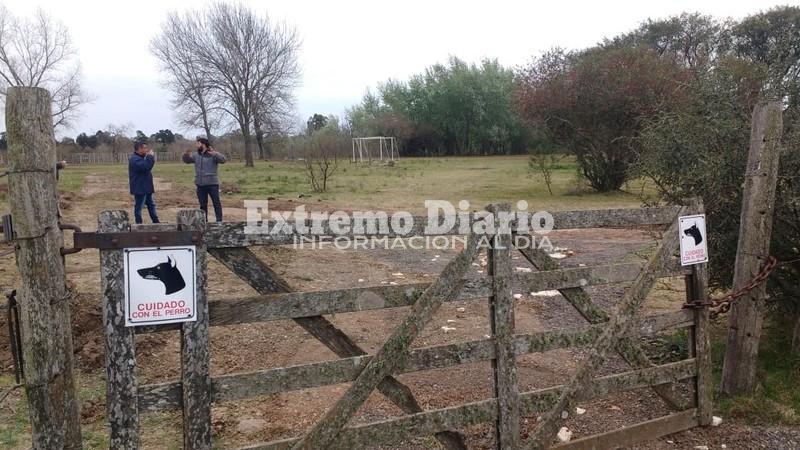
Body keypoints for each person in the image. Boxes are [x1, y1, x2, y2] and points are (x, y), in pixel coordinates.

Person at [183, 138, 227, 222]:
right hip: (200, 185)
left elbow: (223, 160)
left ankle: (219, 221)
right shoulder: (196, 155)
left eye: (198, 143)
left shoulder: (213, 155)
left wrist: (215, 154)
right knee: (202, 205)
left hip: (212, 184)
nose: (196, 145)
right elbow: (187, 161)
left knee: (216, 203)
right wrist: (186, 155)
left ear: (203, 144)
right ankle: (204, 221)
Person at [128, 141, 160, 224]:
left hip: (146, 187)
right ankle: (138, 224)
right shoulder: (134, 159)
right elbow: (146, 167)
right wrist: (150, 157)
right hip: (140, 187)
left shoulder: (142, 158)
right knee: (139, 207)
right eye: (145, 148)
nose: (147, 149)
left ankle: (156, 222)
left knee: (151, 205)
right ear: (139, 149)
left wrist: (148, 157)